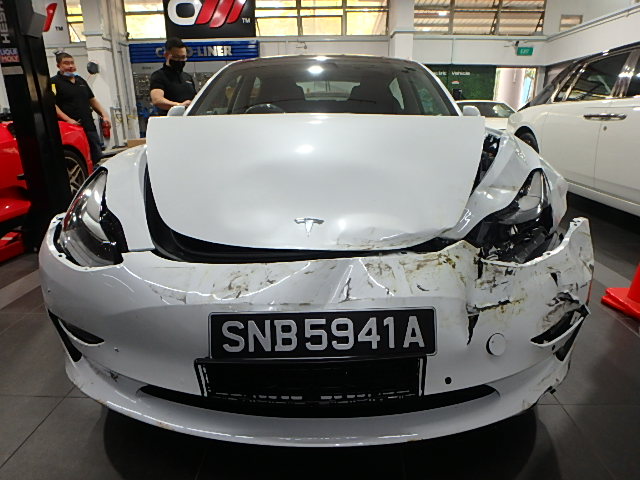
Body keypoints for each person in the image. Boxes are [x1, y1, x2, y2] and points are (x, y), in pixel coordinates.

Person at [51, 52, 111, 166]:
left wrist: (105, 115)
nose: (70, 66)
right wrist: (68, 120)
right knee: (80, 159)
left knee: (96, 156)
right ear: (58, 66)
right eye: (66, 63)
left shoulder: (81, 81)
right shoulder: (53, 83)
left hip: (89, 126)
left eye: (72, 63)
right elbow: (52, 105)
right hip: (71, 129)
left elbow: (92, 100)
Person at [149, 37, 197, 115]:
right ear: (166, 55)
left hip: (189, 119)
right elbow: (157, 100)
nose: (180, 60)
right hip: (169, 120)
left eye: (183, 57)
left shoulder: (187, 77)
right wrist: (179, 106)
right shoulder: (158, 76)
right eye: (176, 57)